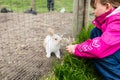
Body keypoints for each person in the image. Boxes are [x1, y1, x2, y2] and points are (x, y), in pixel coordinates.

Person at [66, 0, 120, 80]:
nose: (93, 11)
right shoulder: (113, 16)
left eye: (95, 8)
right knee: (96, 32)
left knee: (100, 54)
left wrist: (77, 48)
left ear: (107, 6)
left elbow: (100, 47)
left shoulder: (117, 21)